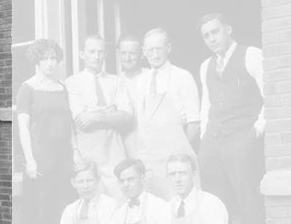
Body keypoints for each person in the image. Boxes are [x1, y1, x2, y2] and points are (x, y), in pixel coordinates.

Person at [196, 13, 266, 224]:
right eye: (206, 35)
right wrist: (205, 139)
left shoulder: (252, 55)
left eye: (215, 32)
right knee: (217, 209)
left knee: (249, 208)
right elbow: (206, 107)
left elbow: (270, 95)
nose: (212, 39)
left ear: (228, 29)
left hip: (242, 140)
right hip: (213, 143)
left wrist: (256, 131)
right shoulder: (205, 67)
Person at [15, 39, 74, 224]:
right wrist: (30, 160)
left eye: (53, 58)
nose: (50, 63)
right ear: (37, 60)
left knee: (62, 208)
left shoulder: (62, 87)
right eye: (45, 58)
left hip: (63, 158)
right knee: (41, 210)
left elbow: (70, 126)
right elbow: (23, 128)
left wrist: (76, 153)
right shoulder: (27, 88)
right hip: (40, 159)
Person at [128, 28, 200, 201]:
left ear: (168, 48)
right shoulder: (139, 83)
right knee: (154, 210)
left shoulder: (182, 77)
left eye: (159, 48)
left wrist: (179, 152)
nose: (155, 54)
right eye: (150, 50)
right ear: (144, 52)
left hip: (176, 158)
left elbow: (194, 123)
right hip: (149, 161)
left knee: (180, 204)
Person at [64, 35, 134, 200]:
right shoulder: (72, 83)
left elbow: (126, 116)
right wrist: (110, 112)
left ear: (105, 54)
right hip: (87, 146)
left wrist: (95, 116)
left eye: (100, 52)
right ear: (82, 54)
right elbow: (81, 120)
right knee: (94, 197)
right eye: (92, 51)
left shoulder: (116, 82)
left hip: (114, 146)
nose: (97, 56)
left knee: (120, 194)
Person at [117, 35, 145, 159]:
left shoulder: (151, 78)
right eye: (124, 53)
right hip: (123, 148)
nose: (127, 58)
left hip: (148, 146)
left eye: (132, 53)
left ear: (141, 54)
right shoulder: (115, 81)